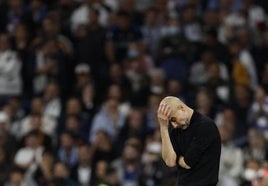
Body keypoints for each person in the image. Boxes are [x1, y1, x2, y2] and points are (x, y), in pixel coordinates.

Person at [157, 96, 221, 186]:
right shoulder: (175, 129)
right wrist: (163, 128)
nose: (174, 125)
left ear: (181, 108)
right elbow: (170, 162)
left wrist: (177, 158)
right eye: (170, 122)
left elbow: (187, 162)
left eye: (173, 119)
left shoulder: (205, 125)